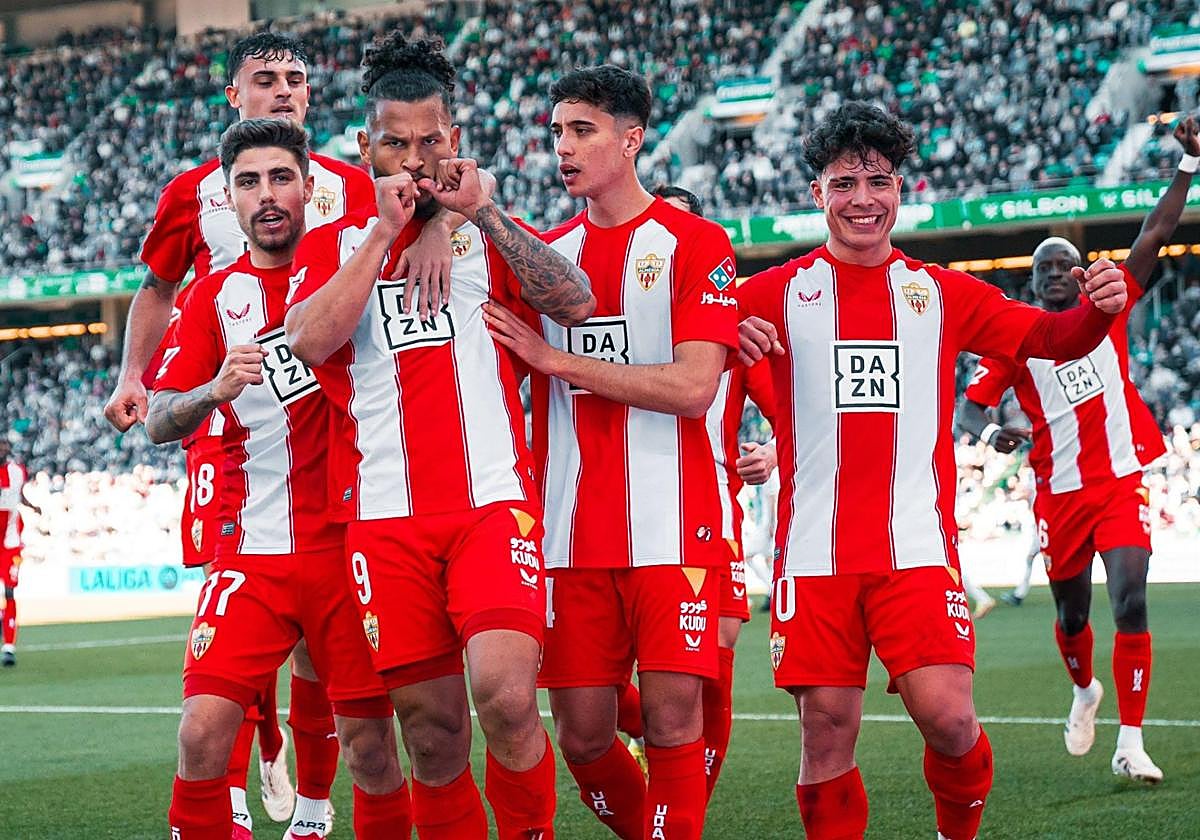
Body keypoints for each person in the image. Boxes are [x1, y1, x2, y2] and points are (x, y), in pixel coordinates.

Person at [734, 101, 1131, 840]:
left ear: (900, 189)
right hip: (814, 556)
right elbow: (690, 342)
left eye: (877, 180)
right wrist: (723, 329)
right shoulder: (773, 294)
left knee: (950, 720)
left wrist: (1101, 309)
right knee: (825, 735)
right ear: (816, 193)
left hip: (915, 547)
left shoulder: (939, 293)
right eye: (843, 182)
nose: (862, 198)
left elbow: (1053, 336)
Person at [104, 30, 467, 832]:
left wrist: (435, 222)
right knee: (204, 719)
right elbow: (158, 292)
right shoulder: (203, 249)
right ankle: (235, 787)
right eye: (263, 79)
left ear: (310, 188)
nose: (282, 91)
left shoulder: (356, 187)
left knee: (374, 736)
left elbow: (428, 190)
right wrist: (160, 380)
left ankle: (307, 802)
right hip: (242, 486)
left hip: (349, 512)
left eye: (295, 79)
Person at [284, 32, 594, 839]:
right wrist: (388, 232)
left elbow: (576, 302)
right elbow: (310, 342)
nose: (415, 160)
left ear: (454, 140)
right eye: (396, 143)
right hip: (387, 520)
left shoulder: (486, 231)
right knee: (432, 734)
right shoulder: (332, 245)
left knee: (506, 693)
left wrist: (478, 211)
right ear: (364, 146)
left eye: (431, 142)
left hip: (492, 505)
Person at [481, 66, 740, 840]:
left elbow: (696, 386)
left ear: (631, 140)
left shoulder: (695, 241)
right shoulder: (544, 257)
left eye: (582, 130)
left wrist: (558, 361)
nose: (563, 147)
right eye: (558, 131)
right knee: (586, 736)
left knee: (670, 722)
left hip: (671, 526)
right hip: (566, 534)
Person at [147, 118, 411, 840]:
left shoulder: (355, 274)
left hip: (346, 550)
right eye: (248, 182)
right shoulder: (211, 299)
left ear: (309, 189)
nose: (266, 196)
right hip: (253, 554)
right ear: (229, 200)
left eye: (281, 178)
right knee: (201, 735)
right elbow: (159, 417)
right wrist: (211, 392)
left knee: (371, 753)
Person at [957, 115, 1200, 786]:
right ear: (1033, 282)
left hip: (1123, 479)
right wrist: (989, 432)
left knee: (1129, 600)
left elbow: (1155, 234)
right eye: (1047, 267)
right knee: (1071, 614)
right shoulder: (1016, 337)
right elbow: (971, 405)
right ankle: (1085, 689)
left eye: (1069, 262)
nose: (1061, 272)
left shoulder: (1112, 303)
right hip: (1058, 491)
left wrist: (1186, 165)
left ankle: (1131, 740)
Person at [655, 182, 777, 796]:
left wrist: (771, 453)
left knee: (714, 664)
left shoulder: (733, 328)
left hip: (713, 515)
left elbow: (793, 415)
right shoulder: (620, 310)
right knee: (606, 698)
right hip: (628, 516)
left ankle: (688, 806)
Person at [0, 437, 39, 668]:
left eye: (5, 446)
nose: (3, 450)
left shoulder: (17, 471)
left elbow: (18, 495)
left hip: (11, 542)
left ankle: (9, 647)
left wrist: (32, 506)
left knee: (10, 591)